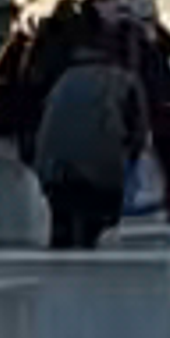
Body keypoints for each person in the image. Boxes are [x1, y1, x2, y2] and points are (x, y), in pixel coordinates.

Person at [31, 13, 136, 249]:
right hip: (102, 174)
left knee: (62, 228)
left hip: (54, 172)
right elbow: (137, 134)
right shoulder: (122, 81)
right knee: (100, 228)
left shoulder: (64, 80)